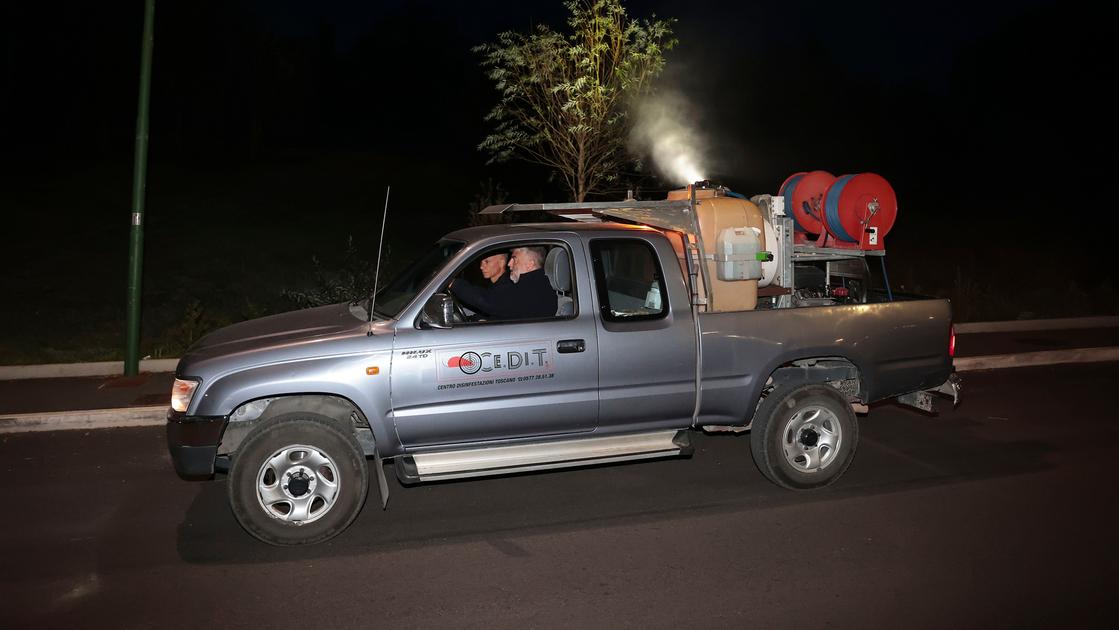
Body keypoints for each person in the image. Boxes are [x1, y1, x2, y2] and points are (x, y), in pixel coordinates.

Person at [450, 246, 556, 319]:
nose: (509, 264)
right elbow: (505, 312)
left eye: (514, 259)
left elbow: (490, 301)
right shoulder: (536, 286)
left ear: (530, 264)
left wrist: (454, 284)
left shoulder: (532, 290)